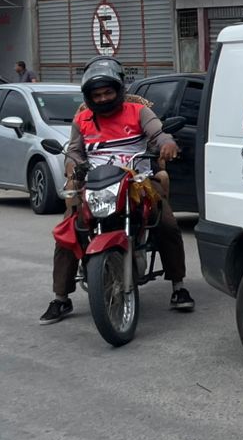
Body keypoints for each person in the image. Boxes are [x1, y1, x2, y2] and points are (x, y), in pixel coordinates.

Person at [41, 58, 190, 322]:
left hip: (139, 182)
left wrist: (167, 142)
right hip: (98, 185)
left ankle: (178, 287)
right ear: (89, 97)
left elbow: (158, 134)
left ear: (119, 90)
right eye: (96, 95)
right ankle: (60, 298)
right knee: (68, 231)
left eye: (108, 92)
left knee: (166, 224)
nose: (102, 98)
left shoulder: (138, 111)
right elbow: (74, 152)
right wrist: (71, 167)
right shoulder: (82, 119)